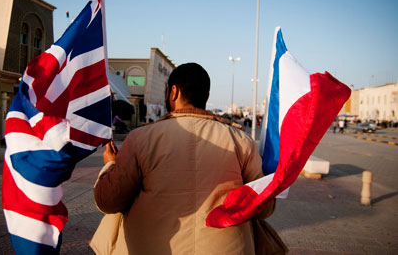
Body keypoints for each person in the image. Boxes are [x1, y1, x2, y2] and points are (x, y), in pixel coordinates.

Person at [91, 63, 275, 254]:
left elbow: (110, 201)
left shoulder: (140, 139)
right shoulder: (241, 141)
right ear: (207, 97)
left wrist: (110, 165)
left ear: (174, 92)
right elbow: (263, 207)